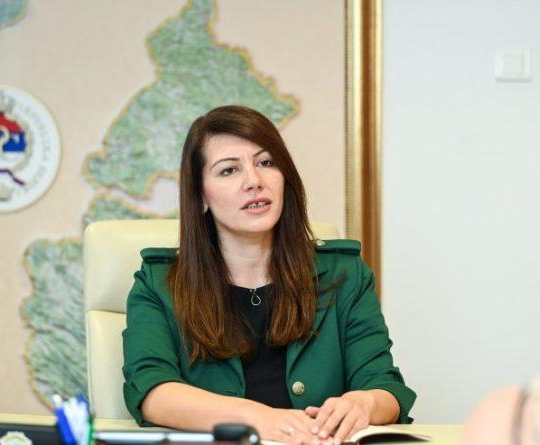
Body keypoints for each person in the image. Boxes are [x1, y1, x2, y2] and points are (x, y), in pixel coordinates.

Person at [122, 105, 416, 444]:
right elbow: (152, 390)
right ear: (201, 195)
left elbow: (385, 386)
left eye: (266, 163)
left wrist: (363, 403)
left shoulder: (344, 274)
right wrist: (255, 418)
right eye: (229, 170)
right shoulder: (158, 283)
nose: (254, 181)